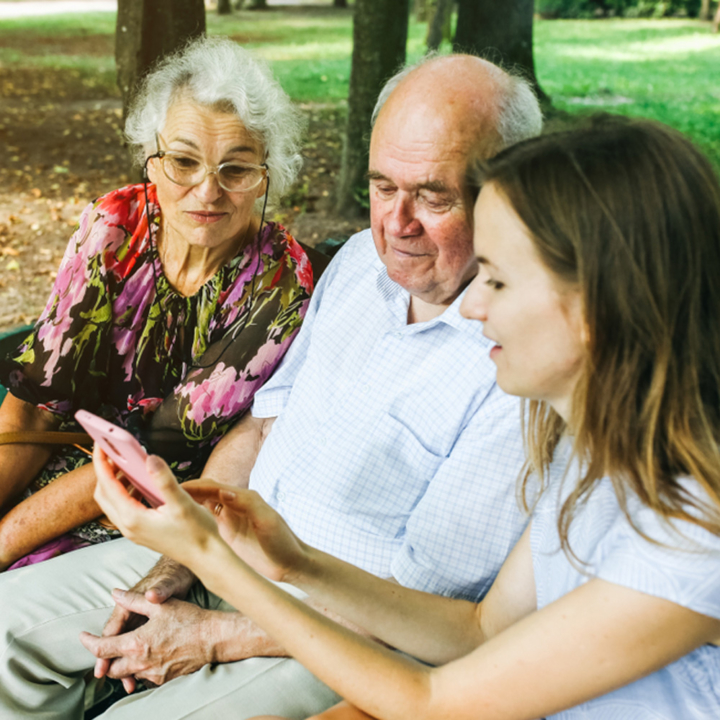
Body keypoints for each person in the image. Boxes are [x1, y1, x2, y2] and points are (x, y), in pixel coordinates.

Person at [93, 115, 720, 720]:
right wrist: (295, 563)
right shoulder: (599, 451)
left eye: (497, 282)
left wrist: (208, 553)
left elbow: (437, 702)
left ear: (597, 308)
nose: (472, 306)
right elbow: (482, 630)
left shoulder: (692, 537)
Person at [0, 54, 542, 719]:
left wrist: (219, 635)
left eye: (433, 195)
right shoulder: (357, 267)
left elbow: (430, 612)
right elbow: (260, 427)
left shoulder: (520, 362)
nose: (397, 224)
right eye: (381, 187)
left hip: (340, 627)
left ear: (514, 190)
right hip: (220, 554)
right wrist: (182, 562)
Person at [0, 37, 314, 571]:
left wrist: (4, 542)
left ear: (268, 173)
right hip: (60, 457)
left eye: (235, 170)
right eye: (184, 161)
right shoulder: (115, 227)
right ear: (151, 160)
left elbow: (148, 457)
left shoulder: (279, 282)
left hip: (149, 503)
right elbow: (33, 408)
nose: (206, 191)